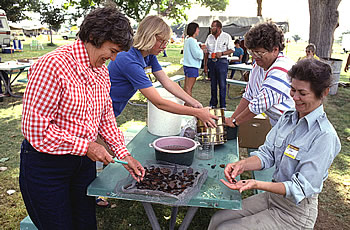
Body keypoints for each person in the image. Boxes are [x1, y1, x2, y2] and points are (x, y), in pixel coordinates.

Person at [19, 7, 145, 229]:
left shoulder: (101, 71)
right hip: (47, 167)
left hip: (82, 165)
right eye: (112, 50)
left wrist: (125, 156)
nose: (113, 58)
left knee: (85, 224)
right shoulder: (53, 66)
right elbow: (36, 130)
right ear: (94, 37)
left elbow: (105, 117)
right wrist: (86, 146)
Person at [208, 58, 341, 230]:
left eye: (302, 93)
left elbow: (300, 188)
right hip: (272, 197)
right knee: (218, 219)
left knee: (226, 229)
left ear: (323, 93)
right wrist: (242, 165)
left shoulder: (324, 136)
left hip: (295, 213)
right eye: (292, 90)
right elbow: (267, 154)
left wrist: (256, 184)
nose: (295, 97)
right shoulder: (288, 118)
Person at [108, 15, 217, 127]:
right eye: (161, 41)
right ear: (148, 37)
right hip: (99, 112)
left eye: (166, 42)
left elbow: (167, 82)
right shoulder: (128, 59)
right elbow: (158, 102)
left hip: (111, 111)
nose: (164, 46)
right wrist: (197, 113)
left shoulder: (148, 55)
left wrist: (195, 103)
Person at [226, 22, 295, 128]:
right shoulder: (258, 66)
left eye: (259, 53)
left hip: (294, 126)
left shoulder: (282, 70)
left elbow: (259, 105)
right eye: (252, 52)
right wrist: (232, 118)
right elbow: (248, 96)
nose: (254, 57)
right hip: (278, 124)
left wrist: (235, 123)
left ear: (275, 50)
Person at [203, 20, 234, 109]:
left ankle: (222, 105)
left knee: (222, 84)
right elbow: (206, 51)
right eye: (211, 27)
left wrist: (222, 53)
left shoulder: (226, 36)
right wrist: (205, 65)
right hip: (211, 62)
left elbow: (232, 50)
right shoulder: (209, 37)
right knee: (213, 84)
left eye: (213, 27)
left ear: (219, 28)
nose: (211, 29)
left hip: (222, 62)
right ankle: (213, 103)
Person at [182, 22, 207, 105]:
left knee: (186, 87)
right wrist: (202, 51)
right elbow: (197, 55)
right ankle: (189, 106)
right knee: (189, 88)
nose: (199, 31)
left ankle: (186, 104)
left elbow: (194, 45)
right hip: (192, 66)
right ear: (194, 30)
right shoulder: (191, 41)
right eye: (198, 29)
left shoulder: (188, 39)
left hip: (187, 66)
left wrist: (199, 45)